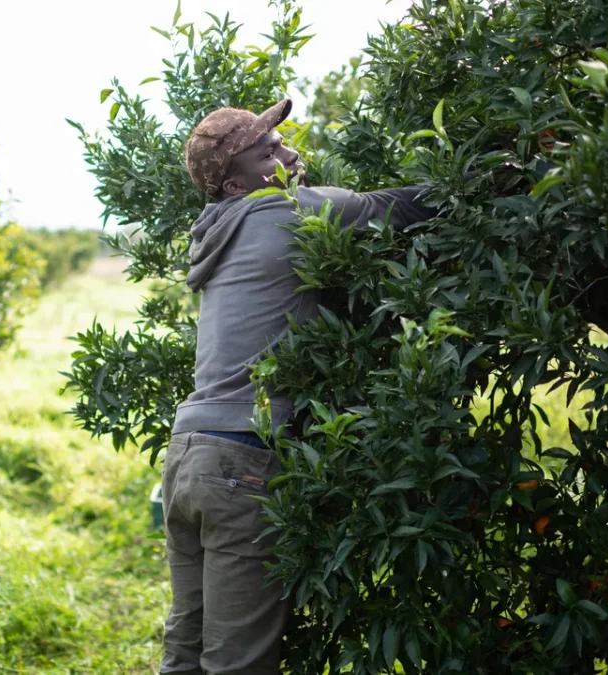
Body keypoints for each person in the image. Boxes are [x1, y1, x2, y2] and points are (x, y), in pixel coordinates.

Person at [163, 99, 442, 674]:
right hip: (241, 458)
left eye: (281, 142)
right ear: (236, 184)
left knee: (185, 651)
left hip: (188, 453)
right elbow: (396, 208)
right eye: (269, 153)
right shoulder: (282, 211)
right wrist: (499, 174)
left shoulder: (217, 230)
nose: (290, 154)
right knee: (237, 664)